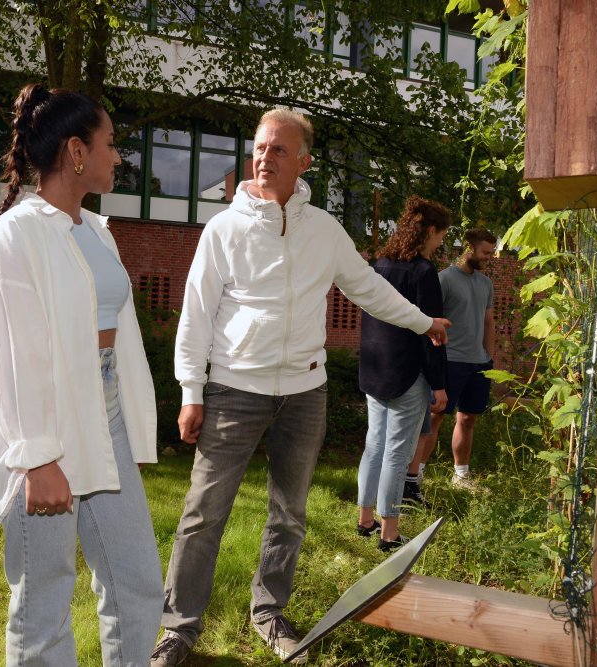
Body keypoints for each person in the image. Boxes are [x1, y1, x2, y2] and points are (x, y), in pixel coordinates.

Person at [150, 108, 450, 667]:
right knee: (202, 514)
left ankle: (269, 612)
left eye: (278, 150)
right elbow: (196, 313)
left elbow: (367, 289)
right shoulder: (224, 229)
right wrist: (192, 390)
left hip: (304, 394)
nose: (264, 158)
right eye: (259, 148)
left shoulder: (323, 229)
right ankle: (178, 629)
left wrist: (423, 322)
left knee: (289, 513)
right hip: (234, 390)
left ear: (303, 163)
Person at [0, 84, 162, 666]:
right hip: (44, 430)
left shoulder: (97, 231)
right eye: (109, 144)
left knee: (138, 582)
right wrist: (39, 456)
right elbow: (11, 356)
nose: (117, 157)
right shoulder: (15, 236)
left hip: (107, 416)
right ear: (76, 151)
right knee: (43, 601)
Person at [355, 196, 450, 552]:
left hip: (375, 369)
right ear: (428, 231)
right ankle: (389, 532)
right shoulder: (423, 272)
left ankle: (366, 519)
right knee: (397, 450)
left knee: (374, 444)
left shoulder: (379, 264)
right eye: (441, 235)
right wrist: (439, 385)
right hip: (408, 372)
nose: (441, 242)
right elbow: (434, 334)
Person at [416, 228, 497, 491]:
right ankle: (415, 475)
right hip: (449, 361)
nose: (489, 258)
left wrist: (489, 358)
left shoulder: (486, 284)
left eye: (491, 253)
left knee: (468, 419)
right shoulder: (444, 279)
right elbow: (429, 320)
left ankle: (461, 476)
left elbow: (488, 322)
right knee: (435, 417)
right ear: (469, 248)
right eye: (485, 252)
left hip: (479, 364)